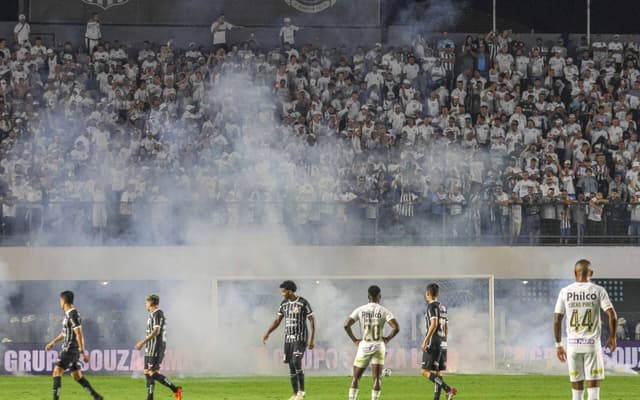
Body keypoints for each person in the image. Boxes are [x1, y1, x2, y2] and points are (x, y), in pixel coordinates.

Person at [554, 259, 617, 400]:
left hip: (573, 347)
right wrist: (612, 337)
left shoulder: (565, 291)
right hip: (591, 346)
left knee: (576, 392)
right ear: (591, 273)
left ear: (574, 273)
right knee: (593, 391)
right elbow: (612, 315)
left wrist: (558, 345)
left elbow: (557, 319)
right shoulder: (598, 290)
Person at [344, 285, 400, 400]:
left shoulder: (360, 309)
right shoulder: (384, 311)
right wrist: (387, 339)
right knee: (377, 378)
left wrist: (355, 340)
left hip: (364, 345)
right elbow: (396, 327)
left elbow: (346, 325)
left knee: (356, 378)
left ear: (368, 297)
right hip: (379, 345)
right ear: (379, 297)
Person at [45, 291, 103, 400]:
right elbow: (65, 333)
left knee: (57, 372)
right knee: (76, 375)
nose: (60, 303)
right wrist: (53, 342)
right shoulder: (69, 315)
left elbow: (79, 334)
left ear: (64, 301)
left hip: (70, 349)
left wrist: (82, 352)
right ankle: (97, 397)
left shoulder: (73, 314)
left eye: (60, 300)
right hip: (72, 349)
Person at [263, 281, 316, 400]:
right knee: (291, 365)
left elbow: (312, 319)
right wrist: (268, 333)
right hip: (288, 338)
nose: (281, 293)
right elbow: (277, 321)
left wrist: (312, 338)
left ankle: (302, 392)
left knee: (296, 360)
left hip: (300, 337)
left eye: (283, 291)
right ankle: (295, 393)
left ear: (290, 291)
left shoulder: (303, 302)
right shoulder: (284, 304)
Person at [134, 294, 183, 400]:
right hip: (150, 347)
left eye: (146, 303)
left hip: (156, 347)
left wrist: (142, 342)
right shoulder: (152, 314)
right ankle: (150, 397)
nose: (145, 305)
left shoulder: (158, 313)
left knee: (153, 373)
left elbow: (156, 331)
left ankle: (176, 390)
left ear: (151, 303)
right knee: (147, 371)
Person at [421, 283, 457, 400]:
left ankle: (448, 389)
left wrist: (425, 341)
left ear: (427, 294)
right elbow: (446, 326)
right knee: (437, 372)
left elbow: (434, 324)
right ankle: (437, 398)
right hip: (442, 342)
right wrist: (444, 340)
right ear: (438, 294)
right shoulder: (443, 307)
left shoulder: (431, 307)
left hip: (434, 342)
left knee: (425, 371)